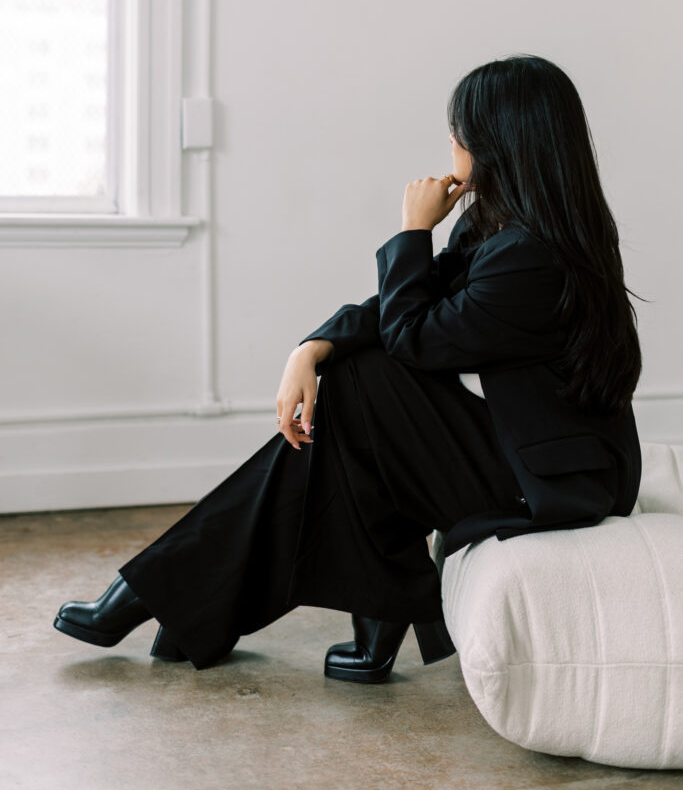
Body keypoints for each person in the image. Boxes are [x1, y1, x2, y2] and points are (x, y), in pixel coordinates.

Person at [53, 53, 643, 684]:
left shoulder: (531, 256)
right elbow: (402, 311)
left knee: (368, 380)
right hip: (536, 453)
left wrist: (413, 231)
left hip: (556, 483)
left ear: (498, 142)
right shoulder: (504, 230)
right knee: (355, 399)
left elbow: (411, 336)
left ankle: (172, 594)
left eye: (461, 129)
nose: (451, 142)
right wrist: (309, 349)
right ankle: (236, 603)